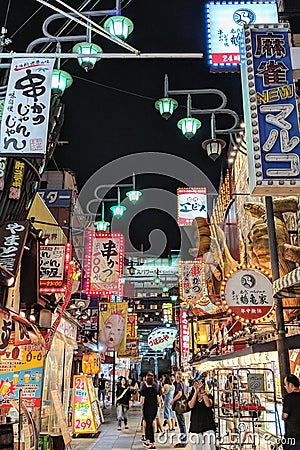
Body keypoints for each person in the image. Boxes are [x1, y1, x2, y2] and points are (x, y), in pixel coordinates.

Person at [188, 377, 216, 450]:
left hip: (208, 426)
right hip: (195, 426)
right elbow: (191, 405)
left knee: (209, 447)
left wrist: (203, 392)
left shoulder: (209, 396)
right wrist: (196, 392)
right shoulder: (191, 396)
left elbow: (208, 404)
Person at [140, 373, 161, 449]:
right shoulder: (155, 390)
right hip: (154, 409)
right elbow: (159, 400)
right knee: (151, 423)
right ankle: (148, 440)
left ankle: (152, 442)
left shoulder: (144, 390)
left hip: (147, 409)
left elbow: (142, 401)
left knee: (148, 424)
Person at [282, 374, 300, 450]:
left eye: (286, 384)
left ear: (291, 385)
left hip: (292, 436)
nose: (285, 387)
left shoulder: (288, 398)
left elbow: (285, 416)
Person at [170, 371, 187, 448]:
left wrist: (173, 400)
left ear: (178, 377)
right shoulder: (181, 383)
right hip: (179, 405)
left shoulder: (179, 384)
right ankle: (183, 439)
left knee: (181, 423)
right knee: (181, 422)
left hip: (179, 406)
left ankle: (183, 441)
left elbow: (180, 394)